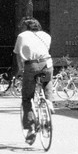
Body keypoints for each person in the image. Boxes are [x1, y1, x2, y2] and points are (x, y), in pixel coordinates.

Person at [14, 17, 54, 145]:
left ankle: (31, 129)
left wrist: (21, 70)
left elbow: (18, 54)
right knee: (47, 82)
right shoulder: (46, 35)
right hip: (47, 64)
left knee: (27, 97)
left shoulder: (22, 36)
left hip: (31, 65)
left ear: (26, 27)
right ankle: (49, 102)